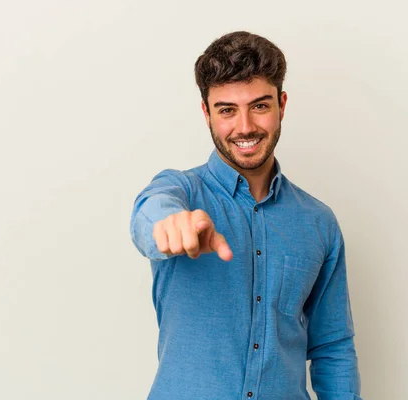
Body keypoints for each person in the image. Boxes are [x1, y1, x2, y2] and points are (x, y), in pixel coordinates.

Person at [130, 31, 362, 400]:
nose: (244, 127)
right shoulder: (180, 193)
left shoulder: (319, 223)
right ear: (206, 112)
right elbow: (150, 214)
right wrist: (168, 225)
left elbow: (332, 347)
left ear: (281, 104)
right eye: (226, 110)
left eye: (259, 106)